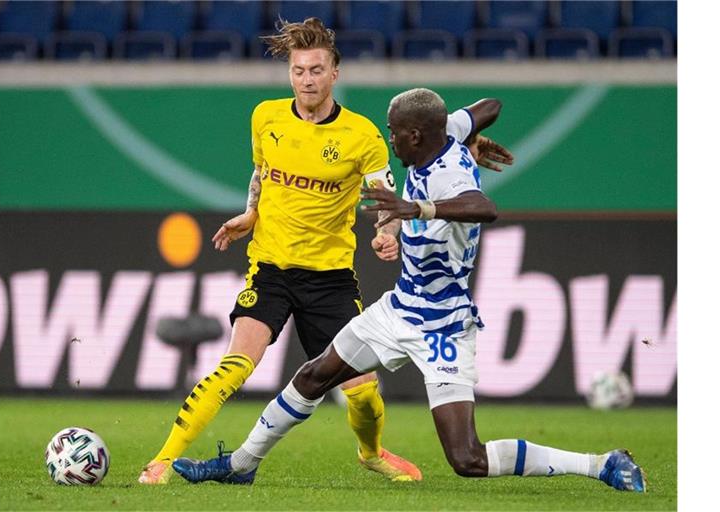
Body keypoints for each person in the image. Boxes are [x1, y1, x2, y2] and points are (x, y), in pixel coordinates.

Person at [170, 88, 646, 493]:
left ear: (416, 136)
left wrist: (415, 208)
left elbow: (483, 207)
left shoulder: (450, 175)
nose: (390, 138)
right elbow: (491, 104)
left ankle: (599, 464)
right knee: (314, 375)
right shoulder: (449, 134)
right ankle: (240, 466)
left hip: (443, 322)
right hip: (398, 308)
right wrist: (473, 132)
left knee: (468, 459)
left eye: (394, 131)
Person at [139, 18, 513, 485]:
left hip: (330, 276)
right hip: (271, 267)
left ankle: (371, 452)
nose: (306, 79)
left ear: (334, 72)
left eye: (316, 70)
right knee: (235, 365)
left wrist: (387, 231)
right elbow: (262, 172)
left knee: (361, 392)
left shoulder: (363, 136)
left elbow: (385, 196)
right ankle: (162, 460)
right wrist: (251, 214)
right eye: (298, 71)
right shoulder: (265, 116)